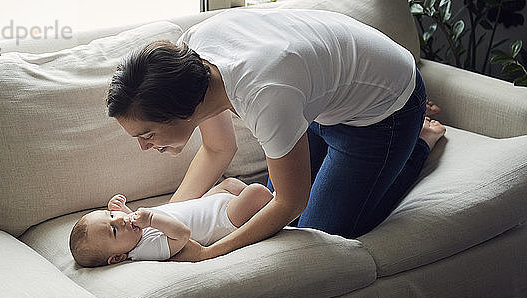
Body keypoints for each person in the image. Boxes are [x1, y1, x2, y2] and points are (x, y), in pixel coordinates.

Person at [105, 8, 446, 262]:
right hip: (317, 101)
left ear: (180, 110)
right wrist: (165, 219)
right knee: (265, 215)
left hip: (387, 107)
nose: (144, 146)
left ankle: (418, 141)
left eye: (147, 134)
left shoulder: (264, 93)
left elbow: (289, 201)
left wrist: (210, 253)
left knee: (314, 233)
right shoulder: (191, 63)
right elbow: (217, 149)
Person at [69, 178, 273, 266]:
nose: (121, 220)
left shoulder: (132, 235)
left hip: (208, 203)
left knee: (230, 183)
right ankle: (277, 212)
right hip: (222, 220)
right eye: (113, 230)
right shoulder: (147, 250)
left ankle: (267, 211)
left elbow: (134, 225)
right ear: (118, 258)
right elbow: (182, 235)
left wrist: (122, 210)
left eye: (110, 216)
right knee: (257, 192)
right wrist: (149, 218)